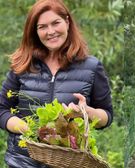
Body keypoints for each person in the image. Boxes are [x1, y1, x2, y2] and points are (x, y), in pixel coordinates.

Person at [0, 0, 113, 167]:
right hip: (23, 162)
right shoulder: (23, 64)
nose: (50, 31)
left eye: (55, 23)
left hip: (69, 163)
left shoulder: (91, 67)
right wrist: (28, 130)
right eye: (42, 27)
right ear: (35, 31)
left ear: (67, 22)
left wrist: (87, 112)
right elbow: (2, 109)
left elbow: (107, 115)